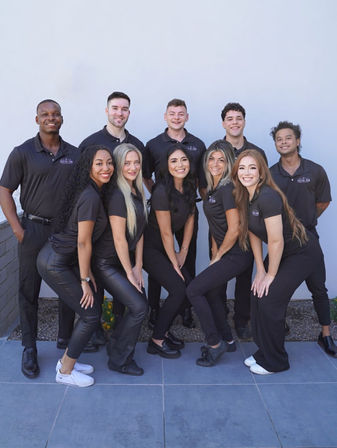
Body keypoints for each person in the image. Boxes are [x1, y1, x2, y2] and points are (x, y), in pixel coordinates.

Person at [0, 99, 78, 379]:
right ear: (37, 120)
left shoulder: (74, 154)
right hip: (32, 230)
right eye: (45, 114)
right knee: (28, 290)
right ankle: (29, 348)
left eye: (55, 114)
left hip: (64, 232)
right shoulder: (22, 152)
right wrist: (17, 229)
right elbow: (5, 190)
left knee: (68, 289)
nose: (51, 118)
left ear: (62, 118)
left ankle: (66, 342)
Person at [232, 149, 324, 374]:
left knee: (271, 298)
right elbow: (252, 233)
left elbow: (275, 241)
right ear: (236, 172)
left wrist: (271, 276)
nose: (247, 172)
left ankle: (277, 361)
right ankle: (265, 351)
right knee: (257, 293)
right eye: (242, 168)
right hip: (282, 252)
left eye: (252, 167)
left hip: (301, 252)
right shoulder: (244, 195)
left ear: (261, 172)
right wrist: (260, 270)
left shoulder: (267, 197)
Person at [37, 145, 114, 387]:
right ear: (88, 166)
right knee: (91, 315)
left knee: (88, 313)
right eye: (99, 163)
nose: (106, 168)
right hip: (54, 263)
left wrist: (87, 273)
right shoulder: (90, 196)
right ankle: (65, 372)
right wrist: (84, 280)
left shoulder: (91, 190)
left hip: (55, 257)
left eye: (109, 162)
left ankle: (67, 361)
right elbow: (83, 242)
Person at [79, 91, 145, 336]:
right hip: (96, 227)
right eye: (115, 108)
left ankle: (118, 332)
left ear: (129, 112)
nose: (120, 113)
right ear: (107, 110)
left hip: (124, 229)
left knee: (124, 294)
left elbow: (140, 179)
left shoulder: (137, 145)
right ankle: (93, 333)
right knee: (96, 287)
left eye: (124, 109)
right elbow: (80, 183)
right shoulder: (91, 143)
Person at [269, 121, 337, 357]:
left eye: (288, 138)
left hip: (308, 239)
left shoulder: (315, 170)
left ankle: (326, 334)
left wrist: (303, 224)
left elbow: (323, 202)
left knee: (318, 288)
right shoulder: (270, 174)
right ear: (275, 144)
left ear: (297, 141)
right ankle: (279, 325)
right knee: (274, 288)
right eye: (279, 139)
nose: (284, 142)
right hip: (281, 240)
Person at [186, 141, 253, 366]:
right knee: (213, 293)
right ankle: (228, 339)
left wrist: (218, 256)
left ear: (229, 164)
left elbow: (234, 228)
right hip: (226, 252)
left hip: (237, 253)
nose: (215, 164)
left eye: (221, 160)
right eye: (211, 159)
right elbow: (216, 225)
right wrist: (216, 250)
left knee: (194, 290)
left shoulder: (228, 189)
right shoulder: (213, 189)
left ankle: (214, 344)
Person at [143, 99, 206, 329]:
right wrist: (163, 197)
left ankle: (186, 309)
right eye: (172, 113)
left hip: (187, 209)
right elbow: (146, 176)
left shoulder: (198, 144)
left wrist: (182, 198)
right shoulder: (153, 144)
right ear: (165, 116)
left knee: (187, 260)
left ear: (187, 117)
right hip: (162, 214)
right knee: (159, 264)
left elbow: (199, 178)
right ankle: (154, 310)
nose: (177, 117)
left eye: (181, 114)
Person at [93, 143, 148, 376]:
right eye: (127, 163)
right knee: (139, 306)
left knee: (136, 304)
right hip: (106, 263)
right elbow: (119, 239)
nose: (133, 167)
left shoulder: (137, 190)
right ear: (118, 165)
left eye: (136, 162)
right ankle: (119, 360)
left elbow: (140, 231)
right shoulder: (117, 194)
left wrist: (138, 265)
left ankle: (116, 344)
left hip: (122, 262)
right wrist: (130, 272)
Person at [220, 102, 267, 340]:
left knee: (244, 272)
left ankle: (241, 318)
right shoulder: (216, 151)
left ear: (244, 121)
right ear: (223, 123)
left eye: (238, 118)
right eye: (230, 118)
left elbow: (264, 185)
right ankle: (219, 317)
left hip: (250, 222)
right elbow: (206, 183)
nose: (234, 122)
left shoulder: (257, 152)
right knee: (217, 268)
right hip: (222, 223)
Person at [143, 144, 196, 358]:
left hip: (167, 248)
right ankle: (156, 340)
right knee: (179, 288)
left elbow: (191, 220)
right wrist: (174, 261)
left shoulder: (189, 187)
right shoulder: (161, 190)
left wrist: (183, 252)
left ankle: (162, 331)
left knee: (188, 286)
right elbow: (166, 233)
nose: (179, 164)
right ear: (166, 165)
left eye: (183, 160)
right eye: (174, 161)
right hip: (150, 248)